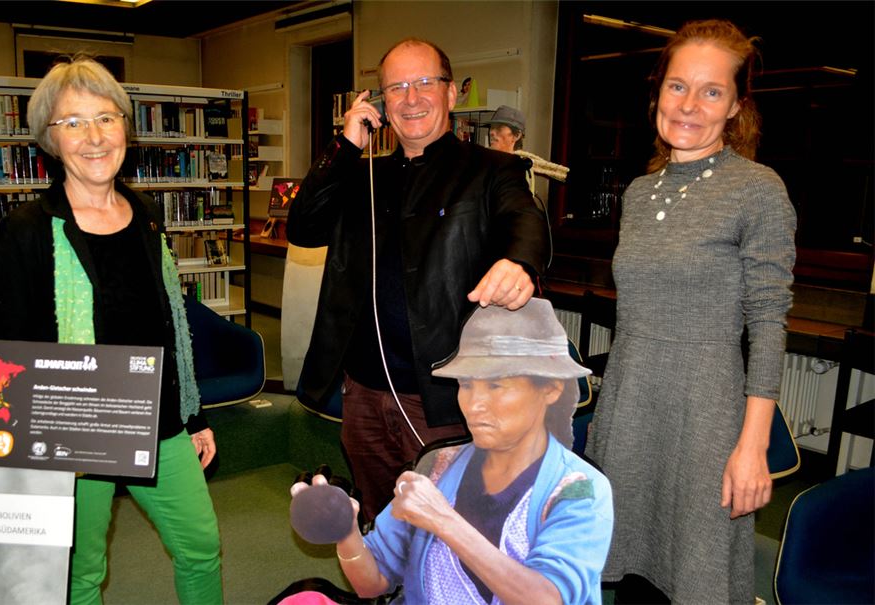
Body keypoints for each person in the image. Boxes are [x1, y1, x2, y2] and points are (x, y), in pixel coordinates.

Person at [0, 57, 223, 604]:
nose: (93, 137)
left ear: (125, 127)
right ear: (50, 138)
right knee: (81, 572)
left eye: (106, 118)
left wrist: (194, 415)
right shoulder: (25, 232)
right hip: (71, 433)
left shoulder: (145, 213)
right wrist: (36, 456)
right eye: (73, 122)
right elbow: (6, 353)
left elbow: (169, 322)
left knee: (201, 547)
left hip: (158, 420)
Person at [286, 37, 551, 523]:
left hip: (444, 395)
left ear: (451, 93)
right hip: (363, 391)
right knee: (380, 520)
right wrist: (344, 145)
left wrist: (521, 263)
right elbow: (303, 227)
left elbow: (525, 222)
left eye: (425, 83)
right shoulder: (362, 175)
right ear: (381, 104)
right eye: (396, 88)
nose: (411, 98)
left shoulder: (493, 170)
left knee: (453, 525)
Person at [585, 20, 796, 604]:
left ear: (735, 106)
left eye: (711, 91)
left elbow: (769, 323)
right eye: (678, 86)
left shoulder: (757, 189)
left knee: (696, 569)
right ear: (657, 94)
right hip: (631, 406)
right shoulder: (638, 192)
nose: (690, 105)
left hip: (706, 413)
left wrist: (752, 446)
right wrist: (606, 415)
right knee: (624, 570)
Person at [291, 299, 614, 605]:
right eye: (467, 385)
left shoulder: (579, 491)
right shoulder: (438, 466)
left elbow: (547, 598)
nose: (474, 405)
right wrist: (347, 532)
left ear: (551, 389)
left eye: (496, 386)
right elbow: (370, 585)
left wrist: (443, 520)